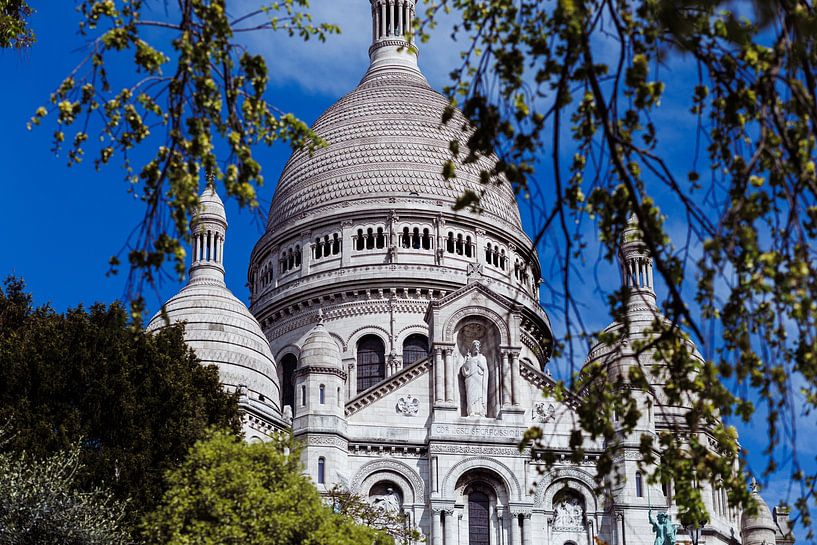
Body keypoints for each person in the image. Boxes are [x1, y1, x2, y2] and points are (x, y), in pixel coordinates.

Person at [460, 340, 488, 416]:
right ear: (472, 348)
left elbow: (485, 370)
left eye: (478, 346)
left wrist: (481, 366)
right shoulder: (468, 358)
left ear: (480, 348)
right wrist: (467, 362)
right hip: (470, 379)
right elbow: (464, 371)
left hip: (479, 379)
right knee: (470, 395)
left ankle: (480, 411)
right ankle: (471, 411)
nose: (476, 347)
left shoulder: (482, 358)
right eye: (474, 346)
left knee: (479, 395)